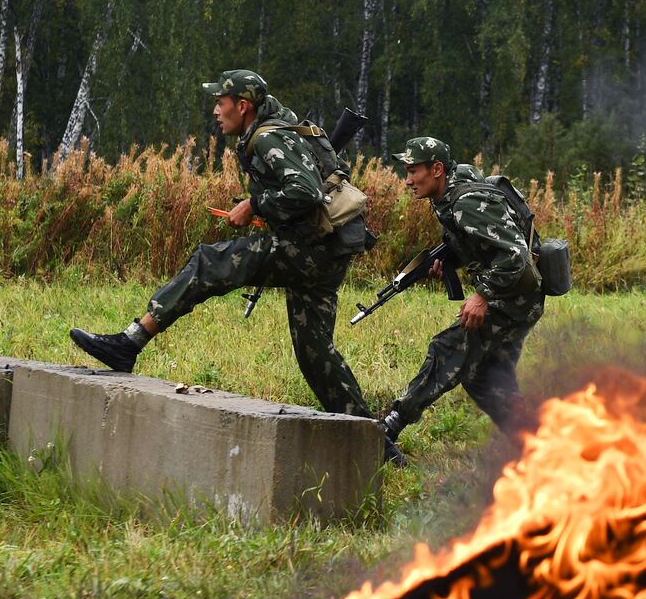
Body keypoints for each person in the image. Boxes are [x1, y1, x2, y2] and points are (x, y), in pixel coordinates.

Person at [68, 69, 404, 464]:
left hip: (307, 250)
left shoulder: (268, 138)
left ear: (242, 106)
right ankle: (377, 444)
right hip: (327, 252)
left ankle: (129, 343)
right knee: (315, 352)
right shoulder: (278, 126)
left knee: (209, 263)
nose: (215, 111)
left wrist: (255, 205)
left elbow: (306, 191)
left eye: (220, 103)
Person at [379, 137, 544, 453]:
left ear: (437, 169)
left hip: (514, 297)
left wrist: (482, 295)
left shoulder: (465, 203)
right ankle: (537, 446)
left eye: (414, 171)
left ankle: (390, 426)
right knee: (484, 376)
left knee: (447, 348)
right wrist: (451, 258)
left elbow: (514, 254)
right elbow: (481, 243)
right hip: (517, 294)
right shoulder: (448, 196)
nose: (408, 180)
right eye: (406, 171)